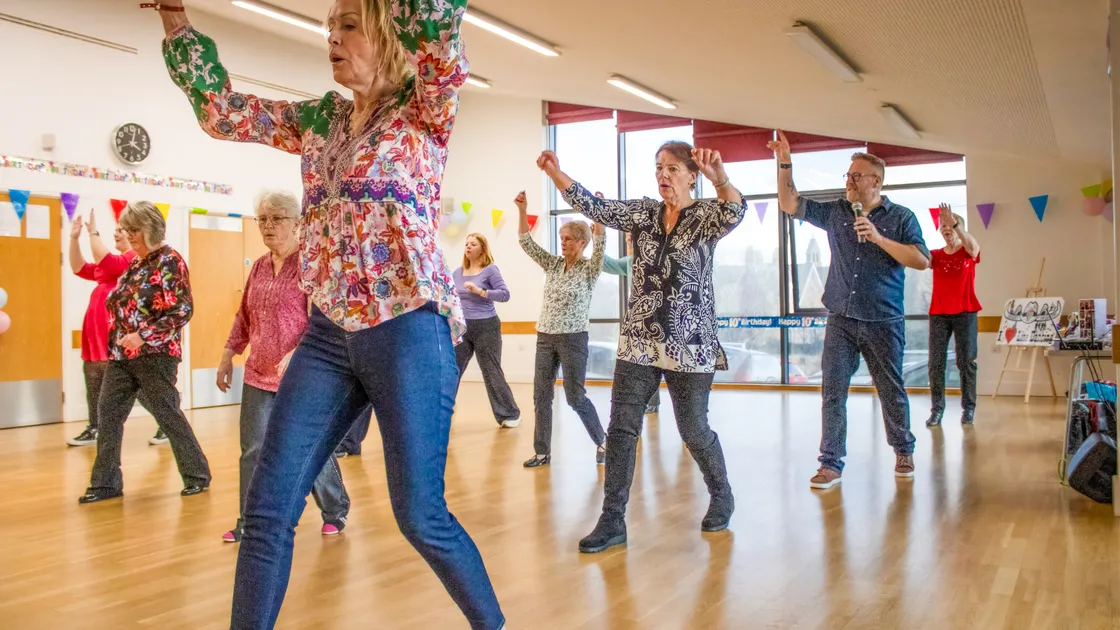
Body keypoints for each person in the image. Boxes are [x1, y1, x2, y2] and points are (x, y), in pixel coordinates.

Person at [154, 1, 504, 628]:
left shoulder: (425, 108)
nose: (332, 38)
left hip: (407, 327)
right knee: (267, 511)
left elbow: (439, 36)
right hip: (328, 334)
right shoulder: (321, 119)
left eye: (348, 25)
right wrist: (176, 19)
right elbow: (223, 111)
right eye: (329, 26)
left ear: (388, 32)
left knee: (419, 514)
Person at [537, 142, 745, 554]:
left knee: (693, 430)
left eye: (672, 168)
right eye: (658, 167)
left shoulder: (705, 216)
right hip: (640, 341)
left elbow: (734, 211)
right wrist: (555, 173)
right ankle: (612, 519)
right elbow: (597, 208)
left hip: (690, 343)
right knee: (621, 429)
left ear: (692, 175)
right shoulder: (644, 213)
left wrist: (721, 178)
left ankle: (721, 494)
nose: (663, 174)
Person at [769, 130, 930, 490]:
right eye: (848, 175)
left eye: (857, 176)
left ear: (876, 182)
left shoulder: (901, 217)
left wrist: (878, 238)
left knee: (890, 390)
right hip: (841, 317)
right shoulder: (837, 212)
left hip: (883, 319)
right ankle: (830, 463)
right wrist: (785, 162)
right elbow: (789, 202)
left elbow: (921, 260)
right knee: (833, 391)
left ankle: (903, 450)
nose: (849, 181)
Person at [217, 191, 355, 543]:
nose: (268, 226)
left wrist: (298, 352)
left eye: (277, 218)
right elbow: (244, 315)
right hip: (258, 372)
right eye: (263, 219)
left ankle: (335, 508)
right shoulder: (259, 266)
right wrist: (228, 353)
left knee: (306, 446)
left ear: (297, 223)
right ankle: (248, 520)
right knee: (253, 450)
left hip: (300, 374)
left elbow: (323, 320)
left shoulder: (310, 265)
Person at [78, 201, 212, 503]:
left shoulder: (170, 261)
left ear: (150, 229)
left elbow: (182, 310)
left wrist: (143, 336)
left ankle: (197, 475)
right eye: (127, 229)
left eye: (134, 230)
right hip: (122, 357)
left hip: (156, 355)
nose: (129, 235)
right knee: (108, 415)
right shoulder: (135, 264)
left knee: (167, 415)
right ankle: (105, 484)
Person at [515, 191, 607, 468]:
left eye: (568, 239)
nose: (563, 242)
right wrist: (522, 210)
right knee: (541, 396)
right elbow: (526, 243)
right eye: (561, 238)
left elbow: (600, 244)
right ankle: (542, 452)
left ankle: (602, 441)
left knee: (574, 396)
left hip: (573, 338)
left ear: (581, 242)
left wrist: (598, 213)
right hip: (545, 336)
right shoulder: (553, 264)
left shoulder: (590, 268)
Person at [67, 210, 163, 447]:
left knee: (132, 382)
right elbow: (79, 268)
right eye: (116, 231)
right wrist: (74, 239)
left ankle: (167, 422)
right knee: (93, 374)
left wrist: (93, 233)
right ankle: (95, 427)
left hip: (115, 328)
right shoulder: (109, 264)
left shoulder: (132, 259)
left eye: (121, 230)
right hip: (95, 326)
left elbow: (106, 259)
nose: (117, 234)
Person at [453, 233, 521, 427]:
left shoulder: (490, 270)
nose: (468, 247)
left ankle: (510, 415)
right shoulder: (457, 272)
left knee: (491, 370)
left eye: (473, 244)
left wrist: (481, 291)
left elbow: (505, 295)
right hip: (461, 327)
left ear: (482, 248)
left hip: (486, 326)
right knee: (452, 369)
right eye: (466, 244)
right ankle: (441, 408)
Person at [926, 203, 981, 427]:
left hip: (965, 312)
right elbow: (918, 259)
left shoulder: (967, 252)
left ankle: (969, 408)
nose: (946, 229)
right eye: (943, 226)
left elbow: (974, 247)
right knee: (935, 363)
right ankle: (937, 409)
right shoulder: (936, 255)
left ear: (959, 227)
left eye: (950, 225)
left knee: (966, 362)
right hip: (939, 314)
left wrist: (955, 224)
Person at [601, 230, 660, 415]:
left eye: (630, 239)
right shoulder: (629, 262)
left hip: (658, 320)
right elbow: (605, 263)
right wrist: (597, 239)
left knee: (653, 363)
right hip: (638, 322)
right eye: (627, 239)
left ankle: (654, 403)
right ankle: (649, 402)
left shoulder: (655, 259)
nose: (628, 243)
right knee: (643, 364)